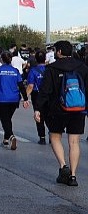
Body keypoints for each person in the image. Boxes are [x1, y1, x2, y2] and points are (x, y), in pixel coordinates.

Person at [34, 40, 88, 187]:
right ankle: (73, 176)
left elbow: (45, 91)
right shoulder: (82, 67)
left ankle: (63, 165)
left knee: (55, 136)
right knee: (74, 142)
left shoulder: (52, 68)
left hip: (57, 109)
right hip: (78, 109)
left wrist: (38, 108)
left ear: (58, 52)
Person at [0, 52, 30, 150]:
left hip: (1, 98)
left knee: (4, 119)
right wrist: (25, 98)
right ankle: (5, 139)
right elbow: (21, 86)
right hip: (14, 99)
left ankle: (11, 136)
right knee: (7, 118)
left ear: (1, 60)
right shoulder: (15, 71)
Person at [26, 50, 47, 145]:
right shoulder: (50, 69)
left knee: (39, 115)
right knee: (50, 115)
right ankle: (52, 135)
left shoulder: (33, 71)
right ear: (45, 59)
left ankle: (42, 137)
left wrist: (25, 98)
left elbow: (30, 86)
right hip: (49, 95)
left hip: (37, 95)